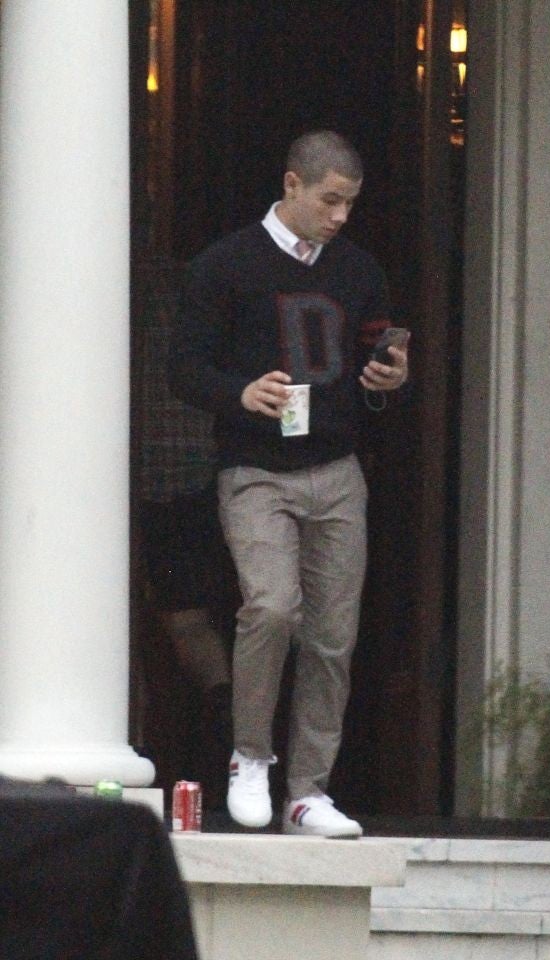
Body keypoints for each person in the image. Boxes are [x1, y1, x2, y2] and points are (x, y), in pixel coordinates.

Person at [169, 130, 408, 837]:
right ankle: (250, 757)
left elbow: (371, 365)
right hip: (254, 470)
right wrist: (241, 393)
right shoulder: (226, 265)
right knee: (271, 608)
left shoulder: (359, 270)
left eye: (350, 204)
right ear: (292, 184)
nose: (340, 216)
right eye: (330, 200)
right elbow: (183, 367)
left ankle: (308, 792)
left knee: (333, 635)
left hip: (337, 469)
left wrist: (388, 378)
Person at [133, 267, 237, 801]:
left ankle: (223, 722)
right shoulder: (201, 305)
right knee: (186, 618)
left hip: (172, 492)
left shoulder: (163, 307)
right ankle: (222, 715)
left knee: (185, 616)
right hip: (178, 488)